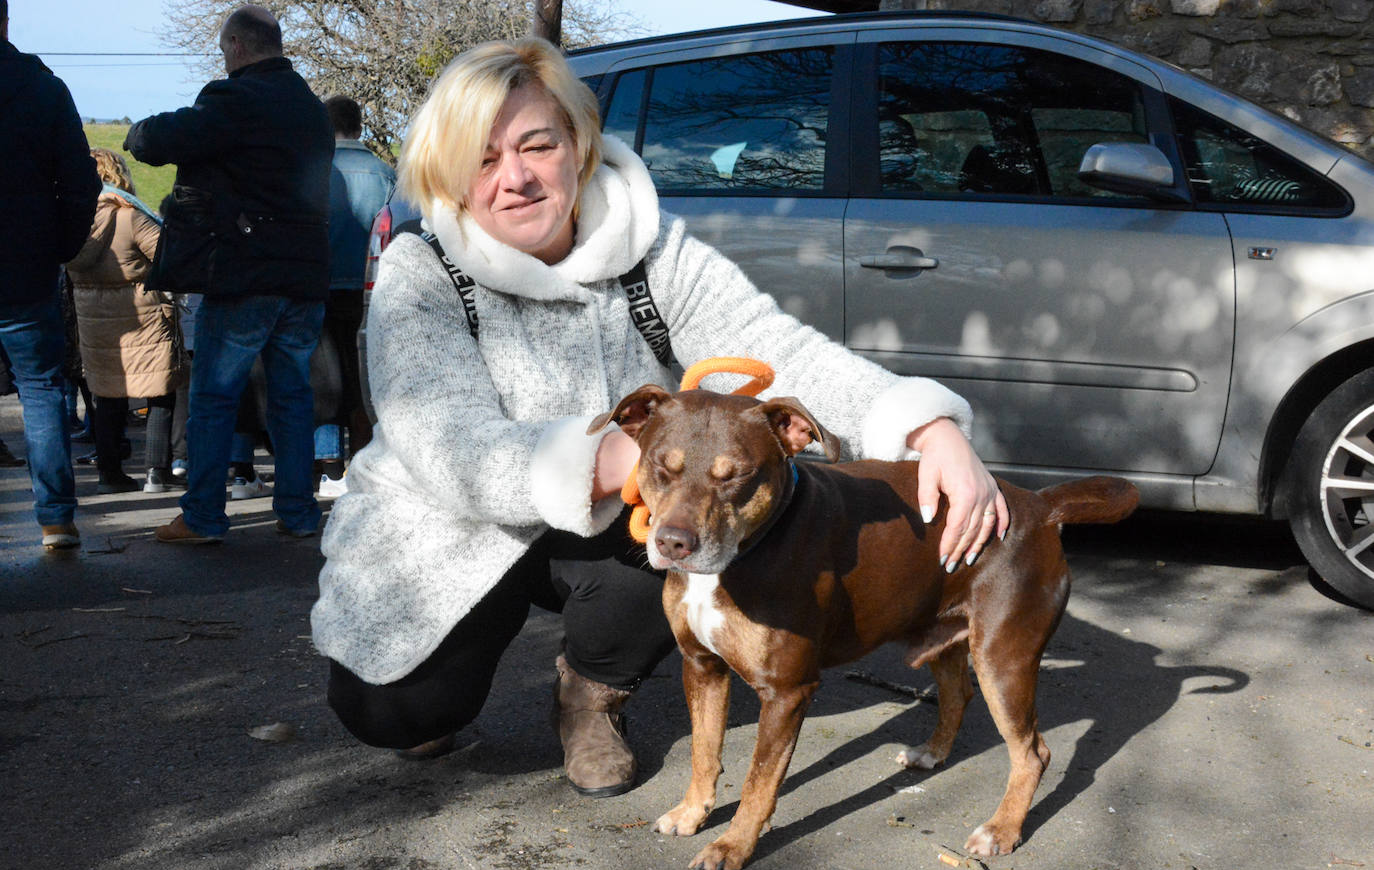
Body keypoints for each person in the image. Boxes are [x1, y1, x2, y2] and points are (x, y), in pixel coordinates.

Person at [311, 38, 1011, 797]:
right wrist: (607, 458)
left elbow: (775, 347)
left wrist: (922, 426)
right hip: (458, 520)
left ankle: (590, 692)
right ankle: (432, 690)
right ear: (449, 174)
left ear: (578, 145)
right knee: (393, 712)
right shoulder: (422, 270)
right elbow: (443, 438)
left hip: (620, 516)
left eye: (536, 145)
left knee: (695, 520)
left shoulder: (652, 249)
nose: (513, 178)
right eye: (481, 159)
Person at [124, 4, 333, 544]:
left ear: (237, 46)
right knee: (291, 398)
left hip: (247, 273)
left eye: (223, 49)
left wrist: (136, 132)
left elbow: (158, 140)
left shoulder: (237, 99)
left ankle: (203, 517)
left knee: (215, 397)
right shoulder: (311, 108)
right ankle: (299, 511)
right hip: (305, 274)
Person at [0, 0, 101, 549]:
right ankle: (56, 517)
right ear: (6, 22)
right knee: (40, 388)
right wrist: (61, 245)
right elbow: (80, 179)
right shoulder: (43, 89)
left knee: (40, 388)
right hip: (25, 263)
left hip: (30, 259)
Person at [65, 148, 186, 494]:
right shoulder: (129, 217)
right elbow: (169, 254)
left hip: (94, 321)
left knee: (108, 394)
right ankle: (156, 471)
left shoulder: (74, 222)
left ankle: (110, 472)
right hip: (143, 316)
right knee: (160, 391)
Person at [315, 94, 395, 498]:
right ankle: (361, 461)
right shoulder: (384, 174)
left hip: (321, 286)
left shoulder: (314, 172)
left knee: (324, 378)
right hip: (371, 288)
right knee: (363, 377)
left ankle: (328, 466)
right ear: (360, 126)